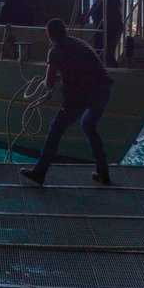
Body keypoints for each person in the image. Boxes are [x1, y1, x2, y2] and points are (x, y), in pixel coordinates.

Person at [20, 18, 114, 187]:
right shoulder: (80, 43)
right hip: (103, 90)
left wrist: (47, 83)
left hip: (80, 95)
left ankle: (40, 172)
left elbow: (49, 82)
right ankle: (103, 171)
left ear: (49, 35)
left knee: (55, 130)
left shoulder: (55, 50)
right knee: (89, 125)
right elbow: (80, 70)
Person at [84, 0, 124, 67]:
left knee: (108, 53)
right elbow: (97, 3)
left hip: (113, 26)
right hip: (101, 25)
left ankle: (113, 72)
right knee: (99, 52)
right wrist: (88, 15)